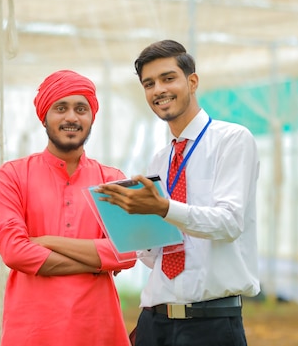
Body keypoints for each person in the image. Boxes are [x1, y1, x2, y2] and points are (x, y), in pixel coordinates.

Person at [96, 40, 260, 346]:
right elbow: (157, 253)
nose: (158, 89)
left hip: (210, 324)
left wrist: (163, 208)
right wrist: (132, 227)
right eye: (149, 84)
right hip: (154, 321)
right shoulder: (161, 158)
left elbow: (229, 223)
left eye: (168, 78)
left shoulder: (233, 140)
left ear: (192, 81)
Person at [0, 69, 136, 346]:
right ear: (44, 116)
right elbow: (15, 252)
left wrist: (45, 242)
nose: (71, 117)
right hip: (32, 332)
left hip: (98, 330)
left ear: (92, 117)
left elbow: (127, 254)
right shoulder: (13, 175)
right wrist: (97, 262)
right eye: (60, 108)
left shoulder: (112, 179)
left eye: (81, 109)